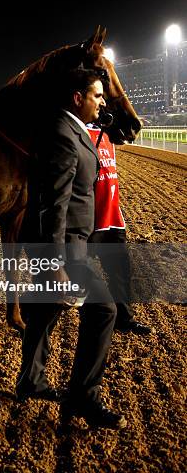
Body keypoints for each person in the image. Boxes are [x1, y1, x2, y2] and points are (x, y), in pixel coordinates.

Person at [17, 67, 127, 430]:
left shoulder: (71, 130)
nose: (102, 102)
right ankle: (84, 395)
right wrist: (56, 263)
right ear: (77, 98)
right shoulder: (62, 135)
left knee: (45, 310)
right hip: (62, 246)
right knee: (103, 311)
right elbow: (55, 204)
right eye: (97, 96)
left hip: (67, 241)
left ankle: (30, 381)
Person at [87, 122, 152, 335]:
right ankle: (41, 323)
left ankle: (125, 319)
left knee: (119, 272)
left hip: (113, 217)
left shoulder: (109, 133)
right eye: (97, 97)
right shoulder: (74, 130)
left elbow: (129, 131)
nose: (102, 103)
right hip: (86, 222)